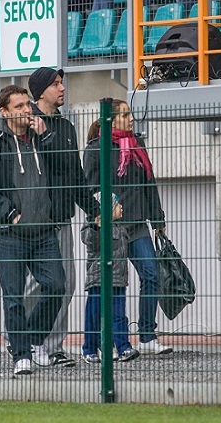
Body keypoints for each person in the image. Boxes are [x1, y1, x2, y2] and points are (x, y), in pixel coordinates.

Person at [23, 67, 115, 367]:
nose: (62, 88)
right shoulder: (26, 123)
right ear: (41, 92)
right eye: (55, 84)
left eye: (62, 83)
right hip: (35, 220)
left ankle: (52, 347)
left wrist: (95, 211)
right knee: (37, 285)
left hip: (61, 218)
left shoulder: (65, 126)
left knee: (66, 284)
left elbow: (75, 175)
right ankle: (23, 341)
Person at [0, 84, 68, 376]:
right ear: (4, 112)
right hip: (9, 234)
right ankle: (21, 355)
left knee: (57, 286)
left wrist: (47, 138)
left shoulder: (43, 136)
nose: (27, 110)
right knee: (13, 297)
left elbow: (65, 170)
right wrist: (10, 214)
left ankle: (32, 340)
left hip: (44, 232)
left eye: (28, 104)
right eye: (19, 106)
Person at [83, 99, 173, 356]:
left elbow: (148, 183)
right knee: (111, 285)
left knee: (151, 274)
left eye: (130, 114)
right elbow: (90, 188)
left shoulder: (137, 145)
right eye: (125, 115)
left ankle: (147, 335)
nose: (131, 119)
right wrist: (106, 212)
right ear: (111, 120)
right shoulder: (96, 149)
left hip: (137, 225)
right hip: (112, 228)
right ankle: (109, 342)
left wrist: (157, 219)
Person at [80, 120, 137, 364]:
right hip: (98, 277)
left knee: (118, 314)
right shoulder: (96, 223)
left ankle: (122, 346)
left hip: (118, 278)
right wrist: (97, 224)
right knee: (94, 312)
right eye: (117, 205)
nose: (122, 208)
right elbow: (89, 240)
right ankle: (90, 348)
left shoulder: (121, 227)